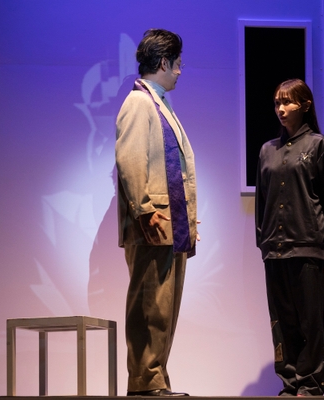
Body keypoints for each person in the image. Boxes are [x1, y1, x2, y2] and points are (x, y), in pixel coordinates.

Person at [115, 28, 198, 397]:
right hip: (153, 223)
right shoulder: (139, 103)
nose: (180, 71)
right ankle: (145, 381)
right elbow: (131, 160)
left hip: (169, 225)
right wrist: (145, 209)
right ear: (164, 62)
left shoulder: (159, 103)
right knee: (150, 305)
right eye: (177, 63)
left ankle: (155, 379)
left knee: (163, 309)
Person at [255, 78, 324, 396]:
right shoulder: (267, 150)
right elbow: (262, 201)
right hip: (274, 249)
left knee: (310, 320)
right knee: (282, 320)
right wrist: (262, 241)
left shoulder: (319, 145)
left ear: (305, 105)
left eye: (287, 102)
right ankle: (289, 383)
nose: (281, 108)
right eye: (277, 102)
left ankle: (311, 384)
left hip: (307, 245)